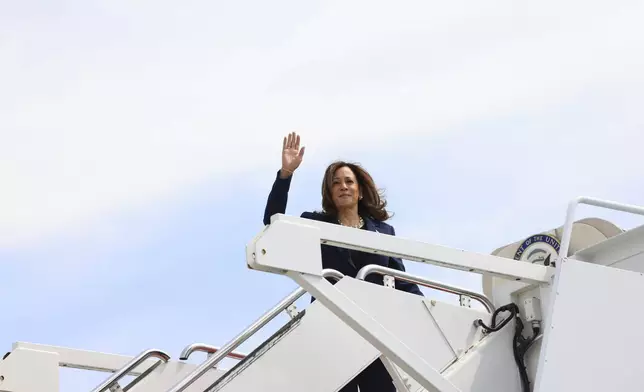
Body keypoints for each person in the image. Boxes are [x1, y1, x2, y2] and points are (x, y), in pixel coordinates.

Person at [262, 132, 424, 392]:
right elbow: (273, 221)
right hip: (332, 328)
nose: (343, 186)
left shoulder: (383, 231)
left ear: (359, 191)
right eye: (336, 183)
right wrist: (285, 174)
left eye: (349, 181)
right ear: (330, 191)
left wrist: (427, 311)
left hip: (376, 330)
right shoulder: (316, 225)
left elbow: (400, 280)